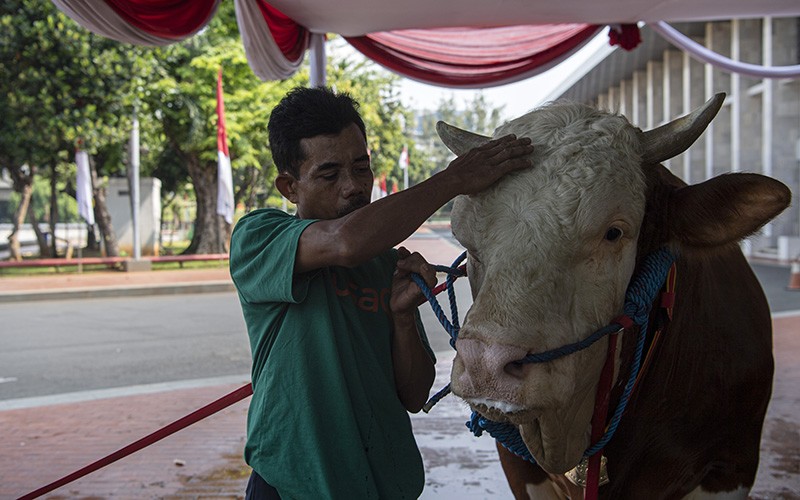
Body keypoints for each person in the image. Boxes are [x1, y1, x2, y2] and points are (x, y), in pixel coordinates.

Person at [229, 86, 534, 499]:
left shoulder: (387, 265)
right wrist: (455, 179)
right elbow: (344, 242)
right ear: (289, 187)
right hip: (293, 485)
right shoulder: (259, 237)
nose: (353, 186)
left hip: (382, 485)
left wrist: (403, 319)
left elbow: (414, 393)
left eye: (361, 168)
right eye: (330, 174)